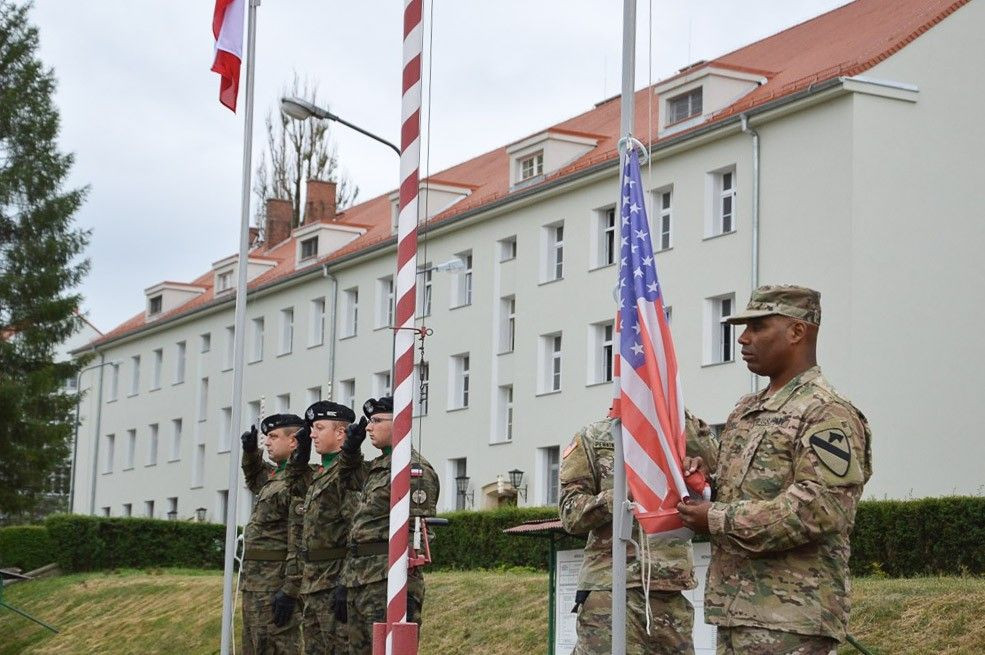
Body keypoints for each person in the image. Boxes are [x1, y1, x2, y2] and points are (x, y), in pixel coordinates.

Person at [677, 285, 873, 655]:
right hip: (737, 610)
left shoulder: (826, 413)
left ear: (797, 332)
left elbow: (820, 509)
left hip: (791, 617)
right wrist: (707, 484)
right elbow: (745, 492)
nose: (743, 338)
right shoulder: (747, 409)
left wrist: (716, 518)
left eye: (758, 327)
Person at [559, 408, 719, 655]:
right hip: (610, 590)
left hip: (670, 590)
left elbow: (720, 467)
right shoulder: (595, 437)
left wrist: (673, 410)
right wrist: (624, 493)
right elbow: (570, 514)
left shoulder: (678, 434)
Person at [337, 396, 440, 655]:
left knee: (388, 649)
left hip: (388, 577)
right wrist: (350, 450)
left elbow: (418, 530)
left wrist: (404, 583)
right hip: (360, 576)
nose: (369, 427)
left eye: (376, 421)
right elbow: (346, 481)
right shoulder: (378, 467)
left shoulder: (414, 468)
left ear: (400, 423)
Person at [286, 400, 367, 655]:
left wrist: (346, 582)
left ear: (340, 433)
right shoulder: (322, 472)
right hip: (313, 583)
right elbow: (293, 486)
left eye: (319, 428)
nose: (312, 434)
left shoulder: (345, 475)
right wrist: (300, 454)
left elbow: (357, 531)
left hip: (333, 582)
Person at [240, 413, 306, 655]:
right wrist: (250, 453)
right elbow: (255, 478)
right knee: (255, 645)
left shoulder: (297, 481)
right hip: (256, 583)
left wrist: (290, 589)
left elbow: (298, 541)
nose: (267, 442)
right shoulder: (276, 476)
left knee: (277, 646)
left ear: (294, 441)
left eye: (273, 437)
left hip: (275, 583)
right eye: (266, 437)